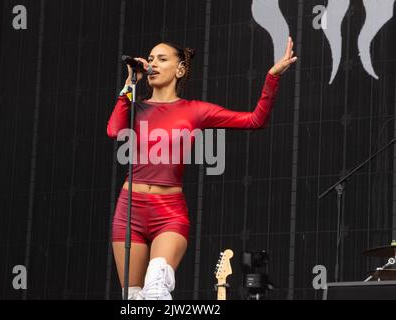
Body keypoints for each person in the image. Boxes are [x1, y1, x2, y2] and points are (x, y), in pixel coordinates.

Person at [107, 39, 297, 300]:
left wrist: (272, 77)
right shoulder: (134, 107)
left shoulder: (195, 110)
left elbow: (255, 120)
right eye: (150, 59)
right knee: (132, 298)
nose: (153, 64)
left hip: (168, 211)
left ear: (180, 69)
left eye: (162, 59)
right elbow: (115, 130)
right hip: (129, 210)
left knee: (156, 288)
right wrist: (130, 84)